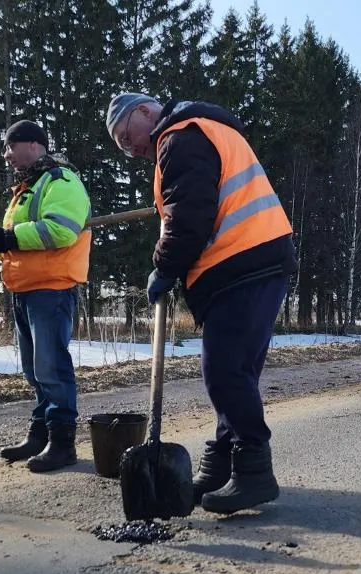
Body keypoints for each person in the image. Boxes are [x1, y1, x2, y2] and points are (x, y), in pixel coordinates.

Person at [104, 93, 296, 514]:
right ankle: (224, 464)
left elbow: (190, 215)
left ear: (143, 111)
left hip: (244, 260)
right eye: (120, 145)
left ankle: (254, 471)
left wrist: (165, 266)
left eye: (125, 136)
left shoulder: (179, 138)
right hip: (253, 261)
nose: (129, 148)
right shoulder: (199, 131)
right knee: (236, 372)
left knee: (224, 369)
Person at [0, 119, 92, 473]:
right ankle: (40, 434)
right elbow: (12, 243)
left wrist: (8, 237)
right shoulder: (27, 189)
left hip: (52, 288)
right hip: (24, 289)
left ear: (33, 143)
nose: (6, 155)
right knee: (35, 371)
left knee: (52, 367)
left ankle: (62, 443)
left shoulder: (61, 181)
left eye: (9, 146)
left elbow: (60, 231)